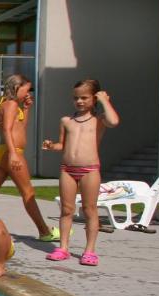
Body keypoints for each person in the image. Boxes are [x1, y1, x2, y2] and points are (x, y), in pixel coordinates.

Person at [42, 79, 120, 266]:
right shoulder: (67, 121)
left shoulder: (98, 120)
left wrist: (104, 101)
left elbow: (114, 121)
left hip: (89, 170)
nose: (79, 101)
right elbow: (63, 145)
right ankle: (63, 248)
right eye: (76, 98)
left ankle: (89, 251)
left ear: (94, 97)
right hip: (67, 170)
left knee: (89, 210)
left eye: (84, 98)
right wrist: (52, 145)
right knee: (67, 210)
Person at [0, 74, 58, 242]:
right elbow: (7, 130)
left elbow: (20, 127)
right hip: (12, 152)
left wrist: (26, 109)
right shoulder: (10, 105)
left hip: (2, 152)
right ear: (18, 87)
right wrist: (13, 154)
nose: (28, 92)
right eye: (27, 89)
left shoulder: (5, 105)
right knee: (28, 193)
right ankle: (44, 231)